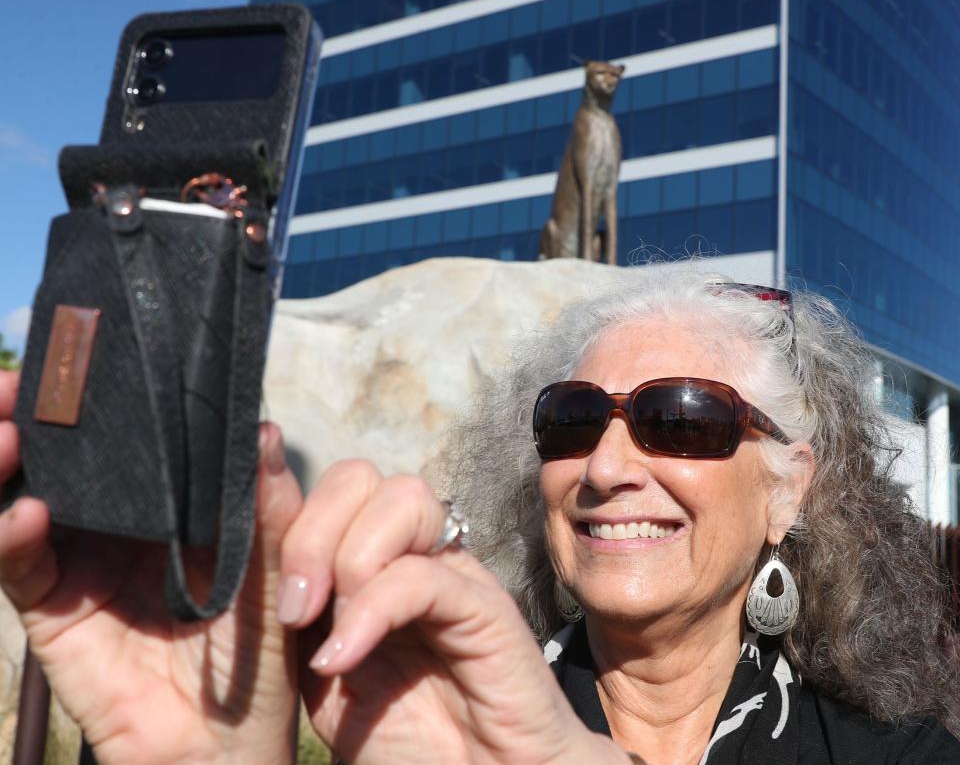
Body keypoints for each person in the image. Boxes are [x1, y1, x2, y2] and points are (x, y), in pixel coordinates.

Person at [1, 265, 958, 763]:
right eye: (572, 421)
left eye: (680, 420)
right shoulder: (417, 727)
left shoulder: (902, 756)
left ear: (789, 488)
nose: (608, 466)